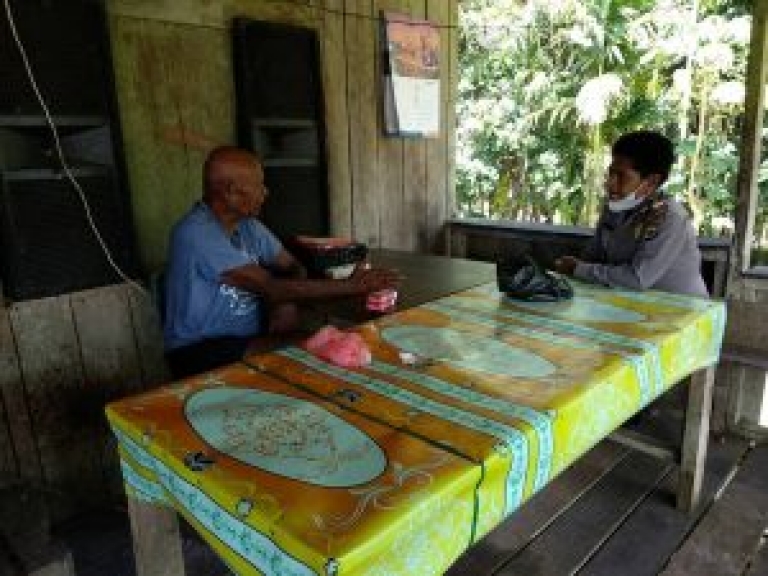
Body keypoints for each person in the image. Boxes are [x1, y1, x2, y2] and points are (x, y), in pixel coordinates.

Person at [163, 146, 400, 378]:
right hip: (198, 350)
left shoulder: (248, 227)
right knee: (315, 351)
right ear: (231, 191)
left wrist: (285, 304)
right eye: (259, 185)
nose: (266, 192)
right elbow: (270, 287)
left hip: (246, 339)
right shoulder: (195, 233)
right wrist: (352, 286)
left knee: (324, 343)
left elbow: (292, 266)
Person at [555, 130, 708, 297]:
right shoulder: (615, 208)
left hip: (681, 313)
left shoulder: (670, 218)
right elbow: (593, 257)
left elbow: (637, 279)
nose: (610, 183)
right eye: (611, 173)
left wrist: (577, 268)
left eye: (621, 176)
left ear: (651, 181)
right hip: (630, 303)